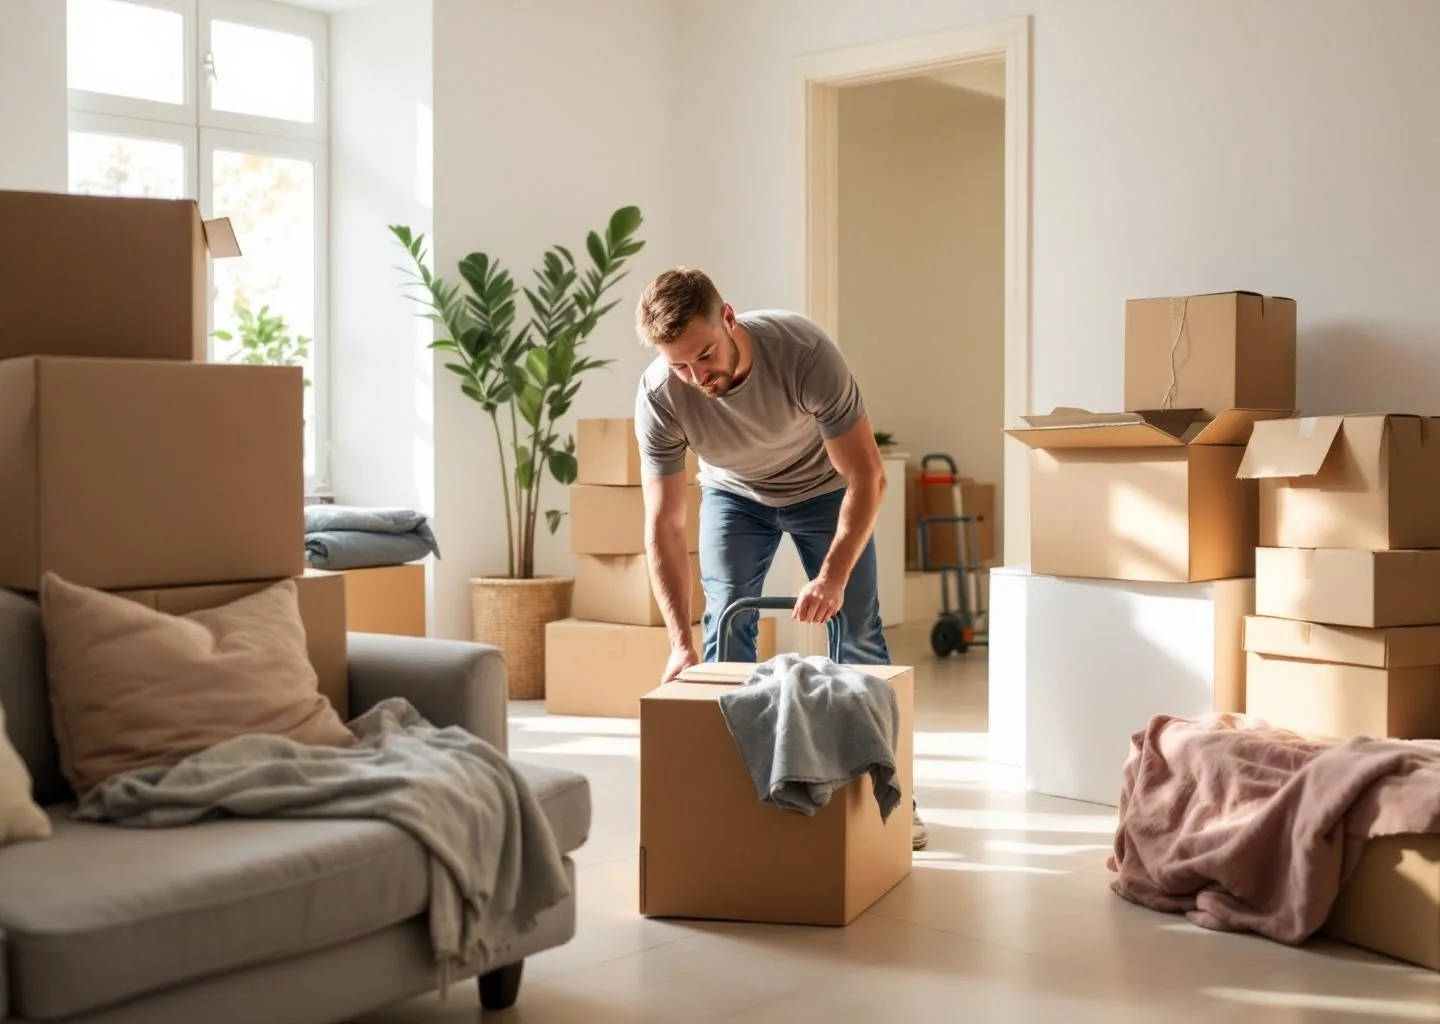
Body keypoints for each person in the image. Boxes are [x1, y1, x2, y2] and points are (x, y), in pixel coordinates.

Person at [632, 266, 929, 851]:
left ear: (728, 316)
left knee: (859, 632)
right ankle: (740, 794)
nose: (696, 377)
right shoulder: (661, 396)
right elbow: (664, 526)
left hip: (824, 488)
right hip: (733, 495)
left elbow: (866, 476)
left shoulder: (802, 352)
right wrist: (677, 643)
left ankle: (888, 798)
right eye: (679, 365)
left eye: (704, 356)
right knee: (724, 630)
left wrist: (832, 577)